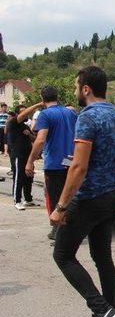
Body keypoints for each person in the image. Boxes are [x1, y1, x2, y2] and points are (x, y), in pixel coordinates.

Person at [50, 66, 115, 317]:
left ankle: (101, 309)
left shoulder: (87, 118)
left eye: (76, 86)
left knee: (62, 254)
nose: (75, 91)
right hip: (111, 196)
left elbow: (78, 167)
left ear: (86, 89)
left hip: (88, 199)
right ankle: (114, 314)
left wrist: (60, 207)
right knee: (102, 257)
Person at [23, 86, 78, 243]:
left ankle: (61, 233)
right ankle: (64, 230)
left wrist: (30, 161)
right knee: (69, 196)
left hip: (54, 163)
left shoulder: (45, 114)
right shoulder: (70, 113)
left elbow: (40, 139)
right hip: (71, 160)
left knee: (55, 198)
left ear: (42, 99)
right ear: (57, 97)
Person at [6, 105, 35, 210]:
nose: (26, 114)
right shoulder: (13, 123)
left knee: (29, 177)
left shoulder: (25, 126)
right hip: (18, 155)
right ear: (18, 114)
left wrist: (29, 135)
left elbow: (34, 139)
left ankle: (28, 199)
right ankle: (17, 200)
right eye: (24, 112)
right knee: (18, 177)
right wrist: (38, 104)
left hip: (28, 155)